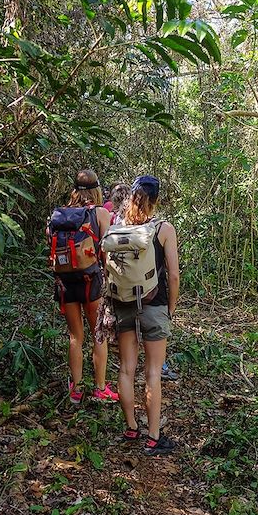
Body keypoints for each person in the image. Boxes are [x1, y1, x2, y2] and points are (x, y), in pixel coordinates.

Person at [115, 175, 180, 455]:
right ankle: (153, 438)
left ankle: (131, 427)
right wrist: (171, 307)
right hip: (154, 305)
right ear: (156, 200)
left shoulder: (120, 226)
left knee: (126, 369)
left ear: (131, 197)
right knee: (153, 371)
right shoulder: (163, 229)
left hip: (123, 303)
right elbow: (174, 275)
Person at [52, 169, 119, 405]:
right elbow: (106, 251)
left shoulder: (59, 215)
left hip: (66, 283)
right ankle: (100, 388)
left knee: (75, 337)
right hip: (91, 282)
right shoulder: (100, 214)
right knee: (98, 335)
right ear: (97, 190)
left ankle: (76, 390)